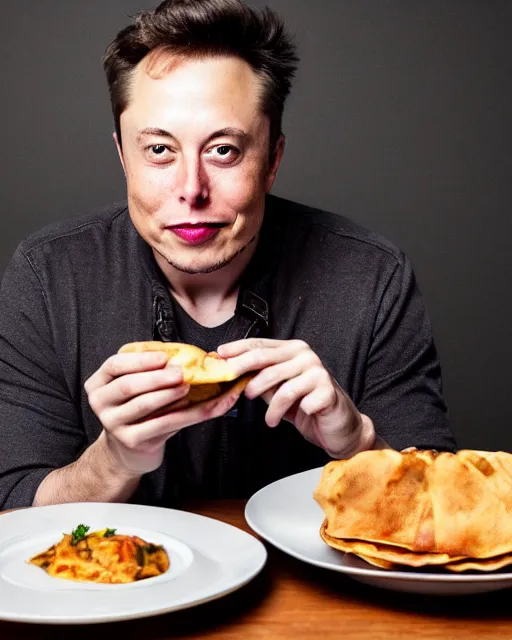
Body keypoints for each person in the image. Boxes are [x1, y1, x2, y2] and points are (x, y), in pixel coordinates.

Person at [0, 0, 456, 511]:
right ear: (123, 156)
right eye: (159, 150)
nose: (191, 190)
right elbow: (11, 507)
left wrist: (358, 442)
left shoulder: (373, 278)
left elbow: (441, 511)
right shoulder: (46, 276)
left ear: (273, 160)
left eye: (224, 150)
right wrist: (114, 460)